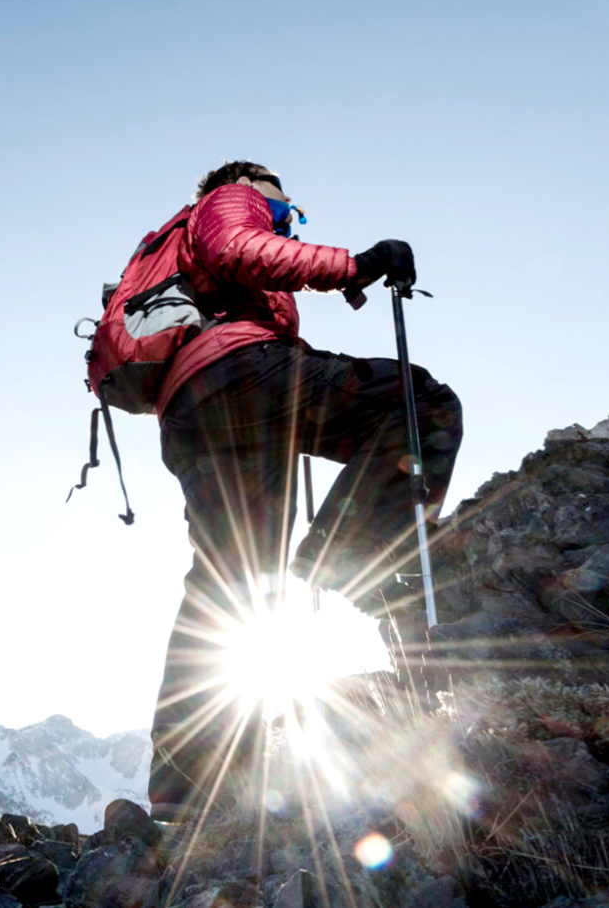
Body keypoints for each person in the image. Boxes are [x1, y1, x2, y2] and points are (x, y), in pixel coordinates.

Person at [143, 161, 463, 822]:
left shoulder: (176, 252)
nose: (288, 218)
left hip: (191, 410)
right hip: (243, 375)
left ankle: (188, 783)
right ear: (256, 186)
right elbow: (238, 248)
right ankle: (346, 551)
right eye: (288, 208)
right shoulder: (234, 197)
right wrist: (356, 266)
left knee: (231, 581)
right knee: (419, 405)